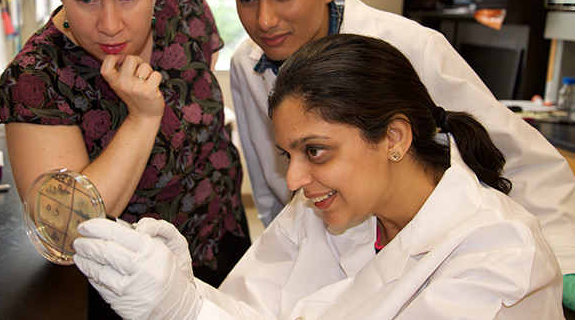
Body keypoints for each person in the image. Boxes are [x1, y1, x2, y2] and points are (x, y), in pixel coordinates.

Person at [220, 0, 575, 304]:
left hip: (438, 255)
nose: (264, 20)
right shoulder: (245, 63)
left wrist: (557, 264)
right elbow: (271, 185)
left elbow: (518, 157)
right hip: (329, 232)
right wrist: (290, 261)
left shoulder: (409, 48)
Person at [71, 34, 564, 319]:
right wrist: (188, 288)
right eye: (290, 155)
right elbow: (257, 311)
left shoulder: (498, 255)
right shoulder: (324, 206)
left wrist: (187, 314)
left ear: (394, 138)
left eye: (316, 150)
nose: (295, 180)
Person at [0, 0, 250, 301]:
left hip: (224, 238)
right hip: (131, 285)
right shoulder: (35, 78)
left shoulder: (187, 12)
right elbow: (66, 229)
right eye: (85, 0)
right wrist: (143, 117)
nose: (110, 25)